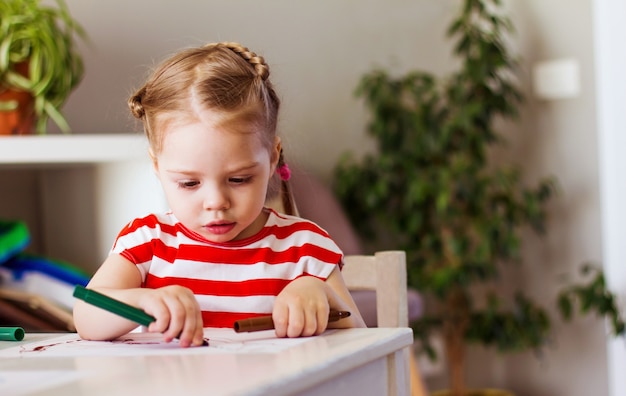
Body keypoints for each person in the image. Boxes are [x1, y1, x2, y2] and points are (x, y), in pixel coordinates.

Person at [72, 42, 366, 347]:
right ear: (157, 167)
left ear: (273, 157)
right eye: (189, 183)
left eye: (239, 179)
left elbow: (361, 339)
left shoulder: (304, 249)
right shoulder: (148, 242)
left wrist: (320, 294)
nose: (216, 203)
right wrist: (142, 303)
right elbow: (86, 316)